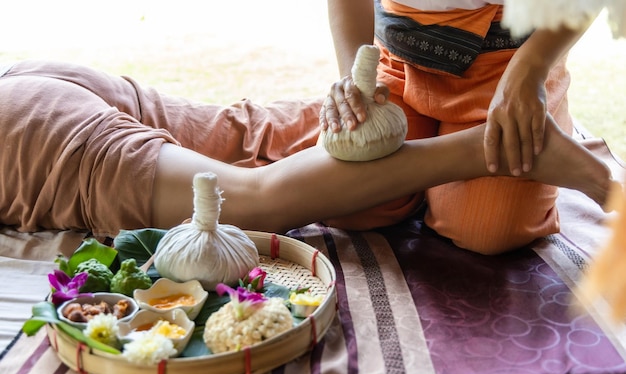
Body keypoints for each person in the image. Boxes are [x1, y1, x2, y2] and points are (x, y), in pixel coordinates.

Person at [0, 60, 613, 254]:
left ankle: (497, 149)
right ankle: (428, 137)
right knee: (247, 138)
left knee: (241, 205)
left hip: (21, 133)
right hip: (28, 88)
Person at [321, 0, 595, 253]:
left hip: (512, 61)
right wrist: (354, 77)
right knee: (348, 207)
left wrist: (531, 67)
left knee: (488, 228)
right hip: (396, 53)